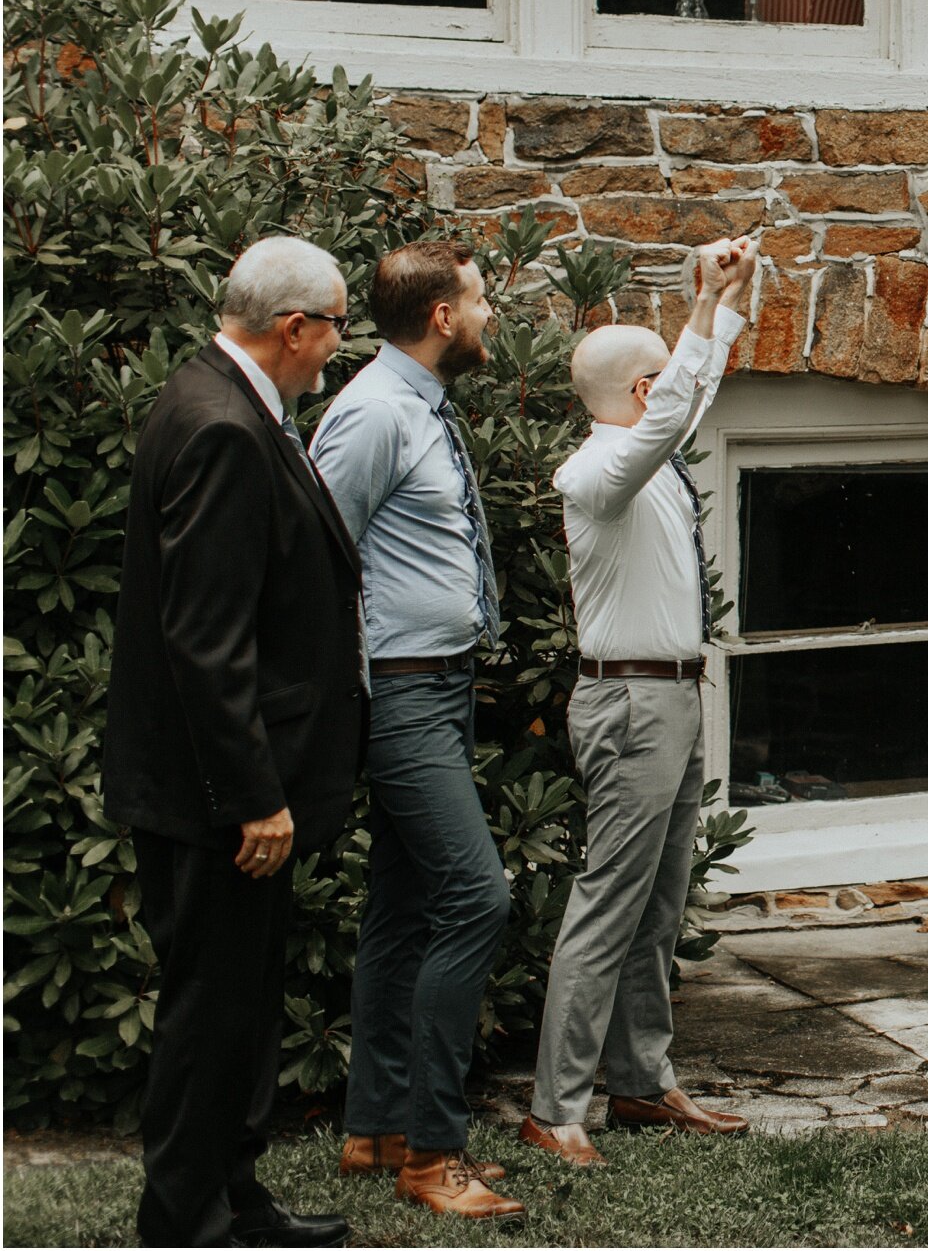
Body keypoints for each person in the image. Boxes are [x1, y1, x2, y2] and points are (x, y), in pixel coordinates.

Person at [103, 236, 364, 1249]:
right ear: (293, 326)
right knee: (210, 1011)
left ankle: (237, 1199)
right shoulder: (220, 424)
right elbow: (206, 637)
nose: (339, 344)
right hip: (218, 796)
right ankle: (183, 1221)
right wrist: (256, 794)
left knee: (244, 1006)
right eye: (336, 323)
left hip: (227, 786)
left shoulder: (227, 399)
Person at [519, 238, 758, 1167]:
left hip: (676, 699)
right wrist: (700, 308)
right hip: (627, 707)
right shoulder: (594, 472)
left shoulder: (652, 453)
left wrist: (729, 288)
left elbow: (699, 383)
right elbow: (677, 405)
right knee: (608, 901)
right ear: (636, 389)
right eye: (664, 379)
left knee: (661, 902)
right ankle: (554, 1106)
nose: (680, 392)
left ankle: (641, 1082)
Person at [307, 242, 524, 1222]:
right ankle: (433, 1155)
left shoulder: (419, 407)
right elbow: (311, 556)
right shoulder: (372, 413)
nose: (488, 315)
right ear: (441, 314)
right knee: (476, 896)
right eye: (479, 299)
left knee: (399, 908)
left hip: (438, 685)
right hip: (397, 692)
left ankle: (376, 1126)